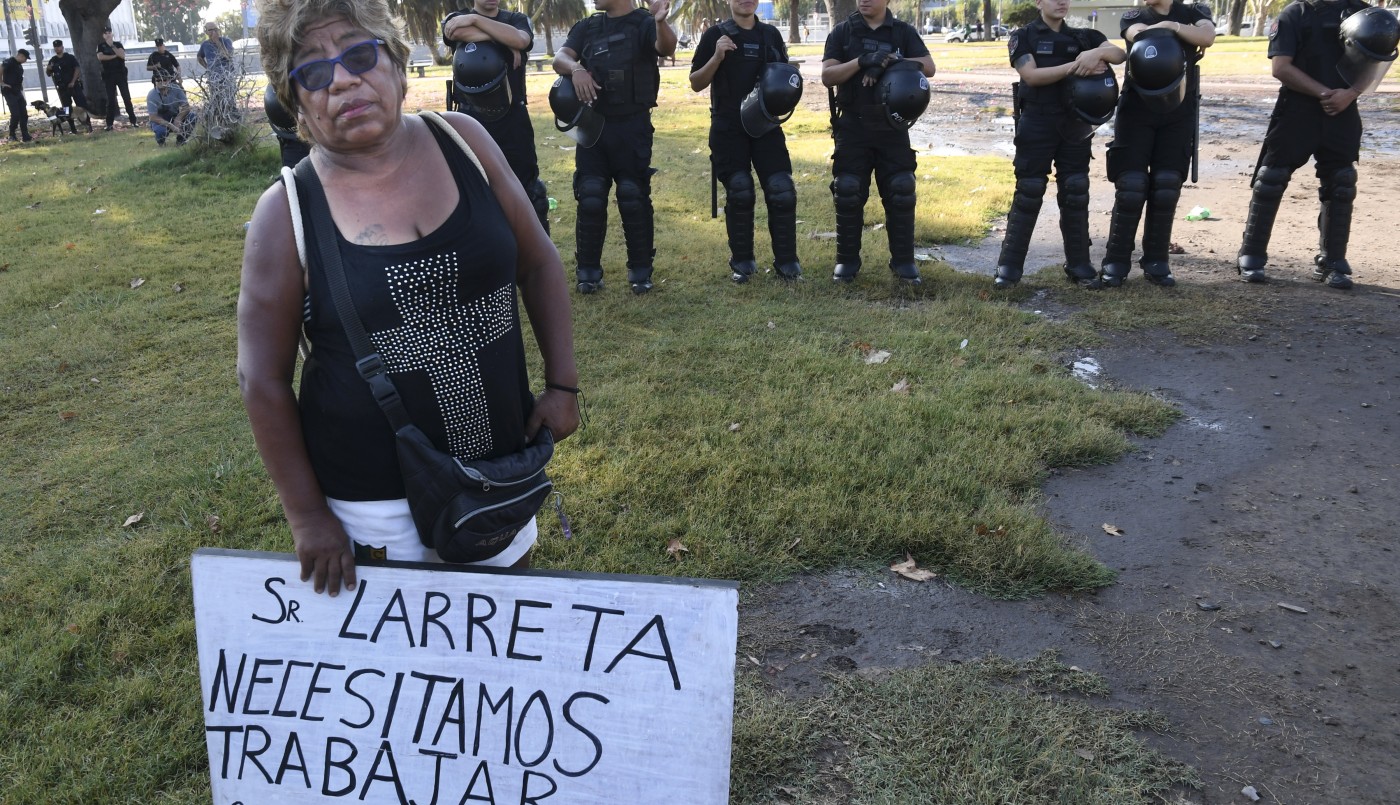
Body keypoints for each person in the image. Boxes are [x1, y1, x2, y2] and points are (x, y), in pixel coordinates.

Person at [240, 0, 580, 595]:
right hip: (374, 500)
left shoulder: (466, 140)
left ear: (397, 65)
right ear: (296, 103)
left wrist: (562, 384)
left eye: (360, 54)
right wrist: (308, 516)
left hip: (500, 463)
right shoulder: (286, 211)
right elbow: (262, 379)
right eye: (313, 72)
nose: (343, 78)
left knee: (503, 644)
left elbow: (538, 260)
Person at [1235, 1, 1391, 290]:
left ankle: (1333, 262)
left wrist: (1351, 93)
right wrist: (1323, 92)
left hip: (1343, 110)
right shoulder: (1296, 13)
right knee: (1271, 179)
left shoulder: (1365, 12)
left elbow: (1374, 61)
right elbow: (1281, 67)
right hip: (1298, 108)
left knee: (1342, 182)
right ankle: (1252, 255)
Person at [993, 0, 1125, 289]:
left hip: (1075, 124)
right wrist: (1078, 65)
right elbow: (1031, 75)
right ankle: (1009, 269)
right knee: (1029, 192)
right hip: (1037, 122)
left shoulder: (1084, 37)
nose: (1061, 1)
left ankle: (1079, 266)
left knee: (1075, 191)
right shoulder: (1023, 36)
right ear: (1039, 2)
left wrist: (1096, 52)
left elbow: (1120, 54)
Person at [553, 0, 678, 294]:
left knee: (632, 194)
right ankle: (588, 273)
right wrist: (576, 69)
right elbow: (561, 57)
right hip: (593, 127)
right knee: (591, 195)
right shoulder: (588, 26)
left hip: (632, 127)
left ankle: (640, 271)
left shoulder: (645, 23)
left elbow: (666, 48)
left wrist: (660, 21)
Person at [1099, 0, 1214, 287]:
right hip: (1137, 109)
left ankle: (1156, 261)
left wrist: (1172, 26)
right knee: (1131, 186)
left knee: (1166, 186)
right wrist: (1175, 31)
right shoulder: (1135, 15)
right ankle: (1115, 261)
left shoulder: (1193, 12)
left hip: (1179, 110)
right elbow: (1136, 33)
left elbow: (1208, 36)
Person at [822, 0, 936, 284]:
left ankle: (904, 263)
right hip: (852, 125)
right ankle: (847, 263)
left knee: (901, 188)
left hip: (891, 127)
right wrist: (861, 61)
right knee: (848, 189)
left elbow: (929, 67)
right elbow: (827, 76)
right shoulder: (842, 32)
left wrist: (890, 59)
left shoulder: (902, 32)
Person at [691, 0, 802, 282]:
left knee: (782, 189)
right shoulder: (715, 35)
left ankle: (787, 264)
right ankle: (743, 263)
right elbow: (696, 82)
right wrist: (717, 56)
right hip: (728, 126)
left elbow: (784, 77)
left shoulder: (770, 35)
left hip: (766, 125)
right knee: (740, 190)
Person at [442, 0, 552, 232]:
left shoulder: (516, 20)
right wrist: (501, 39)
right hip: (471, 120)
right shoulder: (456, 16)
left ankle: (536, 256)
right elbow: (455, 31)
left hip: (513, 120)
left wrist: (475, 21)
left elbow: (522, 40)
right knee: (475, 190)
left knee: (528, 191)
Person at [96, 27, 137, 131]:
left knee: (126, 98)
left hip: (120, 74)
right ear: (103, 35)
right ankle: (109, 124)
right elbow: (100, 57)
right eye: (105, 33)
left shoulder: (118, 44)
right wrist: (114, 56)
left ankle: (133, 121)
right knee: (110, 100)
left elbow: (122, 56)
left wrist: (112, 46)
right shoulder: (101, 46)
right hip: (108, 76)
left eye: (109, 32)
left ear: (112, 34)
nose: (108, 34)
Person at [47, 40, 89, 133]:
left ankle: (88, 126)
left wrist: (73, 81)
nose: (57, 48)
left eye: (59, 46)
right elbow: (48, 73)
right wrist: (49, 69)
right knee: (66, 109)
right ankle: (73, 129)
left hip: (74, 85)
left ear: (62, 47)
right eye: (55, 47)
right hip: (62, 88)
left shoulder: (69, 57)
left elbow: (77, 69)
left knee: (82, 105)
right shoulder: (53, 60)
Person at [146, 71, 194, 145]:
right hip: (160, 119)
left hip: (175, 115)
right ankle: (161, 142)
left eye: (164, 79)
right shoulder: (152, 95)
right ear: (154, 82)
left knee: (192, 116)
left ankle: (181, 140)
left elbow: (186, 106)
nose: (161, 82)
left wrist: (178, 119)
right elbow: (153, 117)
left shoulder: (176, 89)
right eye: (158, 80)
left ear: (169, 80)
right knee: (160, 131)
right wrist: (170, 125)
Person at [3, 49, 31, 143]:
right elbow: (0, 69)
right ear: (21, 56)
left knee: (23, 113)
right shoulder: (9, 62)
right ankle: (12, 134)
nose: (25, 61)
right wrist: (2, 83)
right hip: (9, 91)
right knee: (15, 114)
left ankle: (25, 135)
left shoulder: (19, 65)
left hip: (17, 91)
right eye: (25, 59)